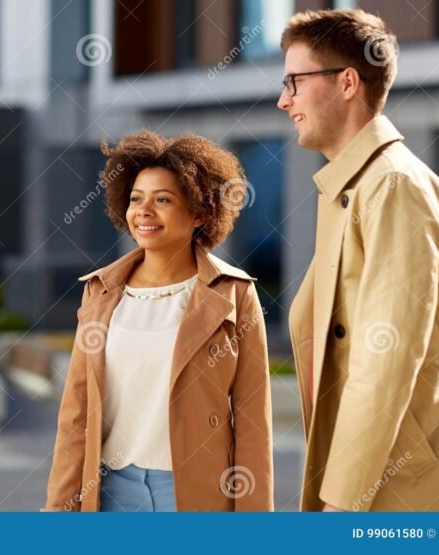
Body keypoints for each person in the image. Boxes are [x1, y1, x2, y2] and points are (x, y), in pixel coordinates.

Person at [278, 9, 439, 511]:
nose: (284, 100)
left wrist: (343, 501)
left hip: (398, 494)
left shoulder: (392, 186)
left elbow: (385, 357)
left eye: (294, 82)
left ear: (348, 82)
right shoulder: (356, 185)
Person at [45, 130, 273, 511]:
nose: (144, 212)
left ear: (198, 212)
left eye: (163, 200)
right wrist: (58, 509)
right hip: (109, 490)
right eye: (136, 199)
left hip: (194, 493)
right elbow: (75, 414)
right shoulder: (100, 291)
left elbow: (253, 423)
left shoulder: (235, 294)